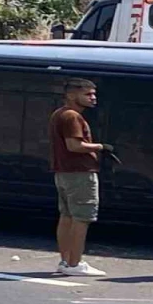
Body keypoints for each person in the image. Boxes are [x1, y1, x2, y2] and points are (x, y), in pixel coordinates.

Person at [50, 78, 109, 277]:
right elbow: (74, 146)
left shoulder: (59, 114)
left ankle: (65, 261)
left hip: (63, 172)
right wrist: (101, 147)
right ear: (71, 95)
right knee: (82, 218)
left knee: (66, 216)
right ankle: (75, 264)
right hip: (79, 173)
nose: (93, 98)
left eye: (94, 94)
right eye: (87, 94)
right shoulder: (72, 116)